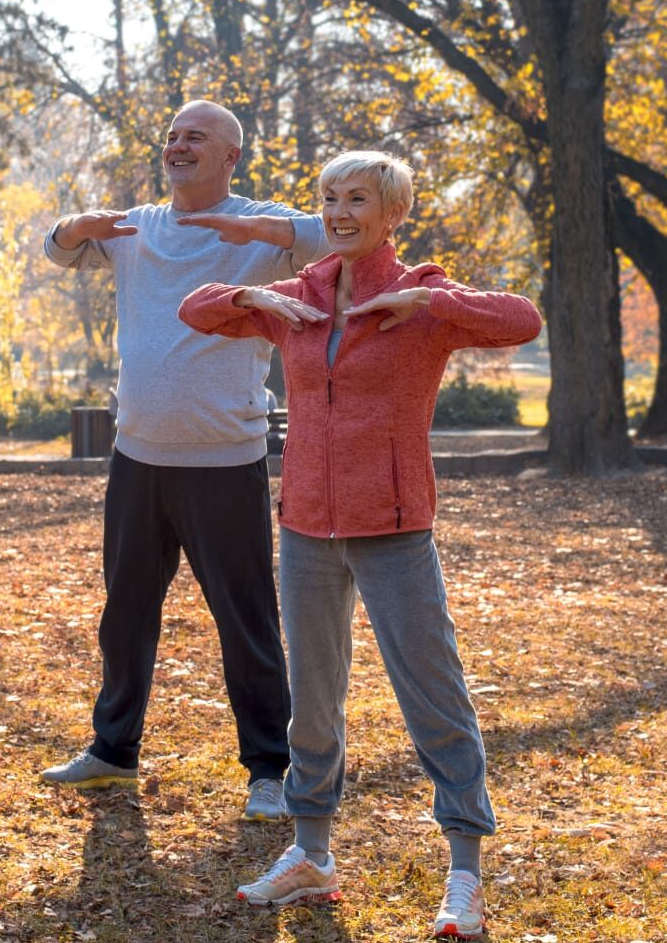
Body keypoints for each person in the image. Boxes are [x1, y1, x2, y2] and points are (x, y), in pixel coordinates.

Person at [178, 150, 542, 938]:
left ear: (391, 214)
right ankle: (310, 856)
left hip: (395, 528)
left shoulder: (424, 300)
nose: (339, 211)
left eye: (357, 199)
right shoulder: (297, 297)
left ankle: (464, 875)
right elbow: (197, 310)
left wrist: (431, 303)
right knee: (311, 704)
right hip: (305, 526)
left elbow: (521, 320)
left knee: (433, 698)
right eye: (329, 198)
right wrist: (246, 292)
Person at [39, 99, 327, 821]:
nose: (177, 144)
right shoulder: (136, 227)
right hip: (137, 457)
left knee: (246, 622)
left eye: (194, 136)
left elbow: (340, 237)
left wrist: (254, 229)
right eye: (171, 135)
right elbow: (56, 249)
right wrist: (76, 226)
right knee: (124, 613)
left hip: (224, 463)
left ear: (230, 156)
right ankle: (112, 750)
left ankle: (269, 769)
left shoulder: (266, 227)